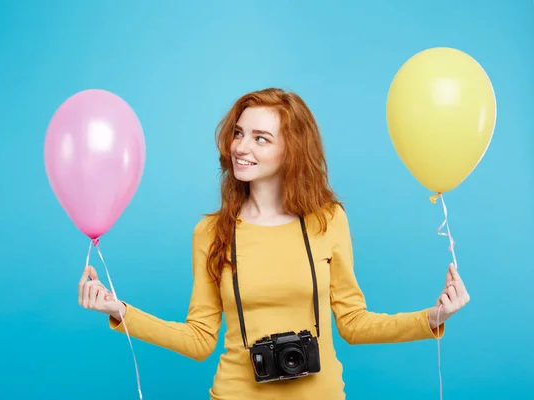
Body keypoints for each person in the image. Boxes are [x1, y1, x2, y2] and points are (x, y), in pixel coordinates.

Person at [77, 88, 470, 399]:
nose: (241, 148)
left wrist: (431, 319)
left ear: (291, 151)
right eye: (238, 133)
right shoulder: (211, 232)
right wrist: (119, 310)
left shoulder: (328, 220)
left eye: (261, 138)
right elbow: (198, 340)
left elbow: (353, 323)